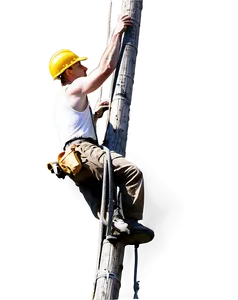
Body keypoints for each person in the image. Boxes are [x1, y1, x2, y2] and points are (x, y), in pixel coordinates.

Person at [45, 14, 155, 244]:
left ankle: (115, 226)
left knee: (107, 198)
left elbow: (74, 130)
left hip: (74, 160)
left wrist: (94, 117)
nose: (84, 67)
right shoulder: (73, 89)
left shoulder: (61, 101)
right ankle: (134, 222)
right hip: (84, 152)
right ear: (68, 73)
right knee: (131, 171)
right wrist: (117, 33)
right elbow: (106, 69)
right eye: (79, 65)